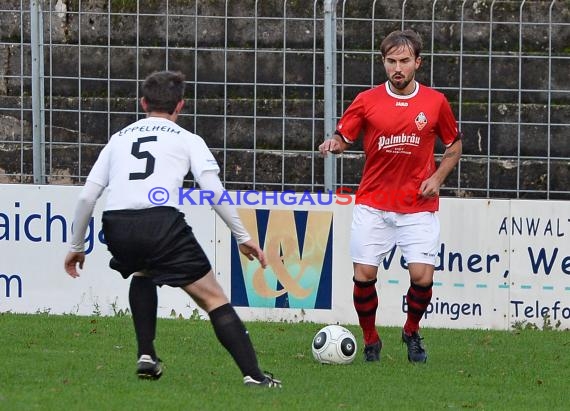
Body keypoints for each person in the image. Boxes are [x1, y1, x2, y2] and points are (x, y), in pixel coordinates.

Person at [64, 70, 281, 387]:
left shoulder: (119, 138)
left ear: (143, 103)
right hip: (159, 222)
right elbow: (213, 191)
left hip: (117, 223)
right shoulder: (188, 140)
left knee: (143, 271)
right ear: (181, 105)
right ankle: (255, 376)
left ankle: (146, 354)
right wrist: (243, 237)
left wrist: (76, 245)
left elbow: (86, 196)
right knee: (213, 298)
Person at [319, 30, 462, 364]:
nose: (397, 68)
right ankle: (371, 341)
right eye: (391, 61)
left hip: (417, 205)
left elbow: (454, 145)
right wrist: (334, 144)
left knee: (422, 277)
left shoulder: (435, 102)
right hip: (373, 203)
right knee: (364, 276)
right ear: (384, 62)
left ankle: (411, 331)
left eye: (404, 61)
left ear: (417, 63)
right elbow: (344, 135)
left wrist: (438, 177)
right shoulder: (367, 100)